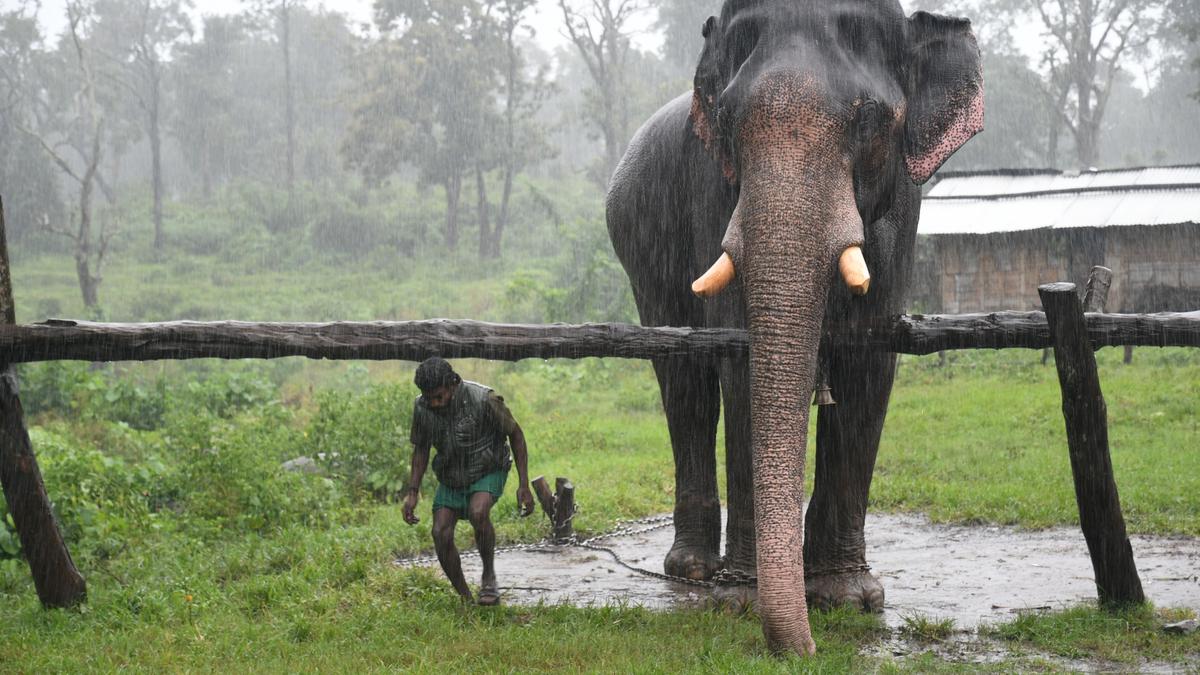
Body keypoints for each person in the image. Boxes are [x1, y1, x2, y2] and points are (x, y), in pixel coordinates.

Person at [402, 357, 535, 606]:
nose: (434, 403)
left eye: (439, 397)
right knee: (440, 532)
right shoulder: (422, 408)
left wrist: (524, 484)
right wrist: (412, 492)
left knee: (478, 511)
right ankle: (465, 598)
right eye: (429, 398)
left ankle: (488, 577)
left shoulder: (484, 399)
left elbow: (516, 435)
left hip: (488, 468)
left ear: (452, 384)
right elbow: (421, 449)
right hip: (451, 475)